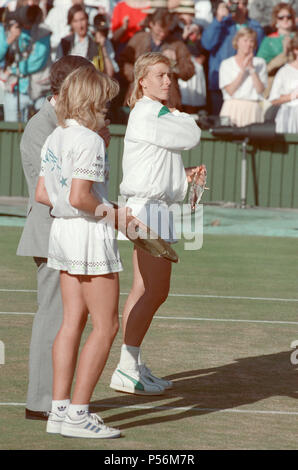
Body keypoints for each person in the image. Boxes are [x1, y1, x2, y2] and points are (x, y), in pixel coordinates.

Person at [35, 65, 127, 438]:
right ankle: (78, 414)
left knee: (71, 321)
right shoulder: (86, 139)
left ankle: (60, 411)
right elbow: (80, 197)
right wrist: (121, 217)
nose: (108, 104)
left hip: (63, 232)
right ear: (90, 99)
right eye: (104, 97)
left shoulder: (56, 136)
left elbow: (45, 194)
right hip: (88, 234)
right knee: (106, 326)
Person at [16, 55, 110, 421]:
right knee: (55, 318)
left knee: (70, 318)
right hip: (53, 232)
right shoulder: (43, 127)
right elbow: (54, 190)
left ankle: (57, 401)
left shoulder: (69, 124)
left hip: (68, 230)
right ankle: (41, 401)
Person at [110, 51, 205, 395]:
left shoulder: (155, 113)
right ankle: (125, 366)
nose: (167, 81)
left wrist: (183, 175)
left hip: (155, 208)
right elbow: (192, 133)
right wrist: (184, 117)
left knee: (143, 289)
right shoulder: (150, 112)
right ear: (143, 81)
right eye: (160, 75)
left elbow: (158, 162)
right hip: (146, 211)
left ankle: (130, 364)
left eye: (169, 75)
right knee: (156, 291)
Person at [119, 7, 195, 110]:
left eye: (165, 30)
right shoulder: (138, 39)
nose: (162, 34)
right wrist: (137, 75)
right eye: (159, 30)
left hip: (168, 101)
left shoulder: (177, 44)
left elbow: (189, 72)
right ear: (151, 24)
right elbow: (122, 62)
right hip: (138, 97)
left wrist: (174, 65)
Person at [201, 0, 264, 115]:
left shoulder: (256, 27)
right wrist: (218, 19)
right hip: (220, 84)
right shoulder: (221, 24)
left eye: (242, 3)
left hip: (248, 86)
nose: (237, 7)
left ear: (246, 6)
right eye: (233, 3)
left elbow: (259, 54)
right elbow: (207, 44)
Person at [0, 4, 52, 121]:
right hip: (15, 91)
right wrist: (10, 39)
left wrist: (11, 70)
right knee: (13, 131)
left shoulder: (43, 31)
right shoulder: (9, 30)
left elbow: (37, 61)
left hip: (38, 91)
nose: (30, 18)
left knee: (39, 133)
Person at [219, 27, 267, 126]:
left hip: (253, 108)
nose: (248, 44)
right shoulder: (226, 64)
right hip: (232, 108)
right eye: (245, 40)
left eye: (251, 41)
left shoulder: (260, 63)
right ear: (237, 42)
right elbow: (230, 90)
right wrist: (242, 71)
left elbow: (260, 90)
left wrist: (252, 69)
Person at [173, 0, 207, 112]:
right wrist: (184, 36)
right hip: (181, 66)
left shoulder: (197, 30)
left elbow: (201, 50)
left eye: (191, 14)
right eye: (186, 14)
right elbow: (173, 47)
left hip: (195, 67)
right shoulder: (175, 30)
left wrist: (197, 38)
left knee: (192, 102)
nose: (189, 17)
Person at [257, 2, 296, 98]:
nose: (285, 20)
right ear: (276, 20)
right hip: (274, 88)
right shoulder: (268, 40)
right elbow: (262, 68)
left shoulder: (296, 38)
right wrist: (284, 53)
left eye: (289, 17)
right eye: (281, 17)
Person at [269, 32, 298, 133]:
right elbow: (274, 100)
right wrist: (293, 96)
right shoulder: (284, 71)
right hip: (289, 118)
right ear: (295, 50)